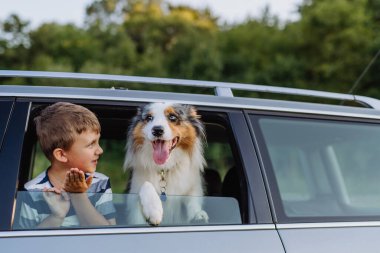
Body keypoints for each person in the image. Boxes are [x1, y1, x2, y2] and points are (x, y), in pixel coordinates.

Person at [17, 102, 116, 228]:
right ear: (62, 155)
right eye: (91, 144)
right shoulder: (32, 192)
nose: (100, 150)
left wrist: (79, 196)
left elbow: (108, 236)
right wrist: (56, 216)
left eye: (98, 142)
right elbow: (24, 244)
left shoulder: (100, 183)